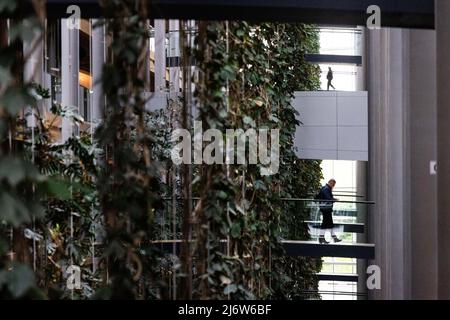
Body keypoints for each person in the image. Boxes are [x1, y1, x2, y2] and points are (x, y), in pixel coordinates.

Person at [316, 179, 341, 244]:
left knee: (328, 224)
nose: (333, 186)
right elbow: (328, 198)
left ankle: (332, 238)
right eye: (333, 184)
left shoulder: (325, 188)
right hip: (326, 209)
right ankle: (324, 238)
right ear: (331, 183)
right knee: (326, 224)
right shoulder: (326, 189)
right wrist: (334, 199)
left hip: (325, 208)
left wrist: (333, 199)